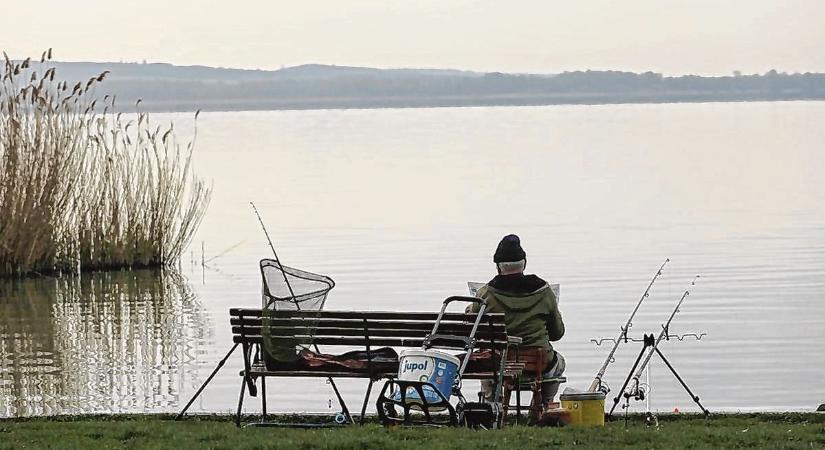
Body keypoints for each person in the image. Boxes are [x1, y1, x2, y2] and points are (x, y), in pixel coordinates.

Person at [469, 234, 565, 411]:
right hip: (538, 363)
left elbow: (471, 327)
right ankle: (544, 406)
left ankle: (492, 405)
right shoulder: (544, 292)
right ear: (524, 263)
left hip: (498, 364)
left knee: (486, 355)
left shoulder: (485, 294)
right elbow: (557, 334)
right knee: (559, 362)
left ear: (498, 267)